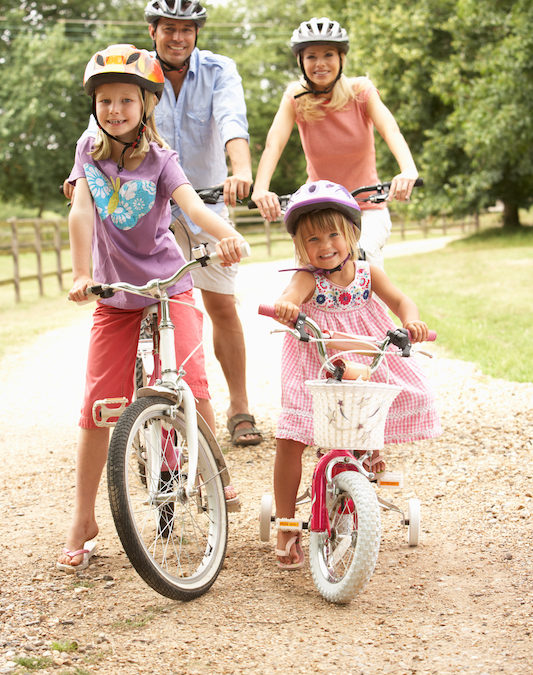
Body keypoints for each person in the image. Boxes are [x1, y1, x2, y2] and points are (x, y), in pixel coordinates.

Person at [57, 44, 248, 572]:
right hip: (114, 295)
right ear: (95, 106)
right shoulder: (88, 151)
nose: (114, 110)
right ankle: (83, 515)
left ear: (146, 105)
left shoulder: (162, 160)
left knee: (194, 382)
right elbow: (80, 212)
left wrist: (227, 235)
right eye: (105, 100)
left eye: (125, 100)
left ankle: (215, 470)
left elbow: (191, 206)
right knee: (98, 405)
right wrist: (81, 273)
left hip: (168, 285)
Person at [65, 0, 262, 446]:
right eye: (169, 28)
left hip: (202, 200)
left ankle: (240, 405)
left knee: (219, 303)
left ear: (197, 33)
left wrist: (241, 171)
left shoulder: (217, 70)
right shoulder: (135, 72)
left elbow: (233, 121)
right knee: (138, 298)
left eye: (187, 29)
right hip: (145, 207)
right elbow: (106, 122)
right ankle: (146, 407)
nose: (178, 37)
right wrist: (81, 173)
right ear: (152, 31)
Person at [269, 181, 441, 569]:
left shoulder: (367, 272)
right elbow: (290, 296)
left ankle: (363, 465)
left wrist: (411, 321)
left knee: (371, 411)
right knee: (291, 436)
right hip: (317, 360)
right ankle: (285, 522)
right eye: (313, 239)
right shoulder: (308, 277)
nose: (325, 245)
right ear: (300, 246)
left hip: (362, 359)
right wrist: (286, 307)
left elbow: (400, 300)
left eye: (334, 234)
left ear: (352, 234)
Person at [251, 17, 419, 270]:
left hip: (366, 207)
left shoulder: (361, 92)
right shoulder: (295, 98)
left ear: (341, 59)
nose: (320, 63)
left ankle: (377, 310)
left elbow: (391, 130)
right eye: (311, 56)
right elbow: (274, 144)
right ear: (300, 61)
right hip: (319, 207)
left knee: (362, 260)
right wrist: (261, 189)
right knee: (308, 276)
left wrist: (408, 170)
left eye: (328, 54)